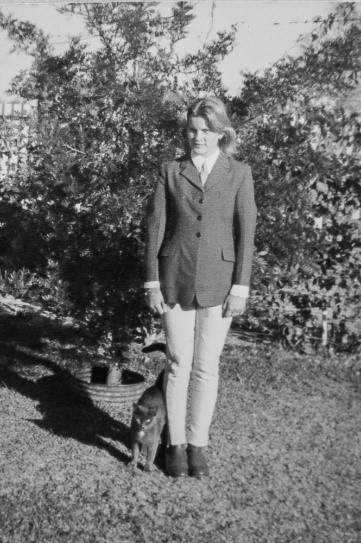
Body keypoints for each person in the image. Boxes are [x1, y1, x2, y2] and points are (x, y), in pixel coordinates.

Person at [144, 96, 257, 478]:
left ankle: (197, 445)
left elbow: (247, 233)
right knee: (178, 364)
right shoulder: (170, 171)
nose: (198, 137)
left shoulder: (238, 172)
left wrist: (240, 287)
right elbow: (154, 227)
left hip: (220, 283)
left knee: (207, 367)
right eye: (192, 129)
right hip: (174, 278)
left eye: (206, 130)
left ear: (221, 132)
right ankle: (174, 445)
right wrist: (151, 281)